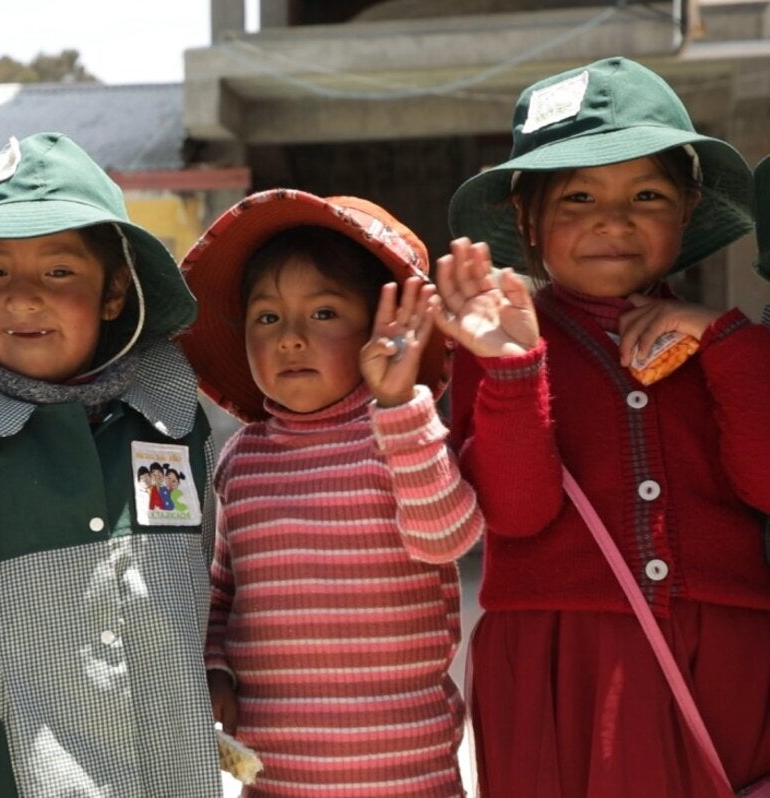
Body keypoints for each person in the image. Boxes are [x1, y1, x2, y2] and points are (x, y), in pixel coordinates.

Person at [442, 56, 770, 795]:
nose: (612, 221)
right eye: (579, 196)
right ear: (527, 220)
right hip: (562, 664)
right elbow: (517, 513)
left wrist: (723, 340)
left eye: (647, 195)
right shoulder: (495, 346)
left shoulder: (730, 345)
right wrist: (514, 368)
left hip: (724, 653)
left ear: (686, 212)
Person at [0, 133, 222, 796]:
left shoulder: (174, 419)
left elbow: (219, 566)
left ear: (113, 293)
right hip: (16, 773)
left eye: (58, 272)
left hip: (168, 767)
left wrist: (221, 666)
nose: (23, 297)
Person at [180, 190, 484, 796]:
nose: (289, 338)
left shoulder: (403, 435)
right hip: (279, 778)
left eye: (322, 314)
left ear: (379, 327)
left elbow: (448, 535)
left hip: (410, 775)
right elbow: (220, 590)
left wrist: (398, 406)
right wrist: (215, 670)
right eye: (267, 318)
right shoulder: (243, 459)